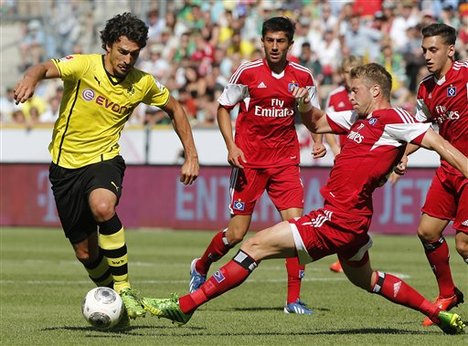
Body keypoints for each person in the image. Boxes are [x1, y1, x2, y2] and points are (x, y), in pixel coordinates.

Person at [142, 63, 467, 335]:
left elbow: (440, 144)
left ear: (375, 91)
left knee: (253, 246)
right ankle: (438, 314)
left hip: (340, 217)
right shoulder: (359, 120)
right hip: (348, 217)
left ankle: (184, 306)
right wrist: (303, 104)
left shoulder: (394, 119)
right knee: (366, 278)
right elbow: (319, 122)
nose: (350, 97)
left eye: (355, 91)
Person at [13, 13, 199, 326]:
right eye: (122, 51)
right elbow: (45, 67)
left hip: (103, 159)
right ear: (108, 46)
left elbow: (175, 109)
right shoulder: (84, 66)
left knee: (103, 206)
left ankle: (124, 289)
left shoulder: (142, 83)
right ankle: (117, 303)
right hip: (64, 168)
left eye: (134, 53)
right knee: (86, 254)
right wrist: (32, 78)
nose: (128, 59)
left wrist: (191, 156)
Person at [188, 17, 326, 315]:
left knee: (296, 230)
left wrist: (317, 139)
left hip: (285, 162)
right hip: (248, 161)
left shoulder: (302, 76)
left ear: (290, 44)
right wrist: (231, 146)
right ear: (262, 41)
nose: (275, 46)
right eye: (270, 40)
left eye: (281, 41)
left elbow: (311, 113)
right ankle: (201, 265)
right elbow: (223, 109)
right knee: (236, 234)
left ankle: (292, 301)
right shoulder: (247, 72)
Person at [395, 23, 466, 327]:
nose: (427, 55)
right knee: (427, 231)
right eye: (424, 49)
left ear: (451, 49)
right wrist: (402, 156)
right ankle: (448, 294)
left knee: (464, 244)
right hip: (448, 170)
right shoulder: (425, 87)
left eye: (433, 49)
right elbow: (420, 131)